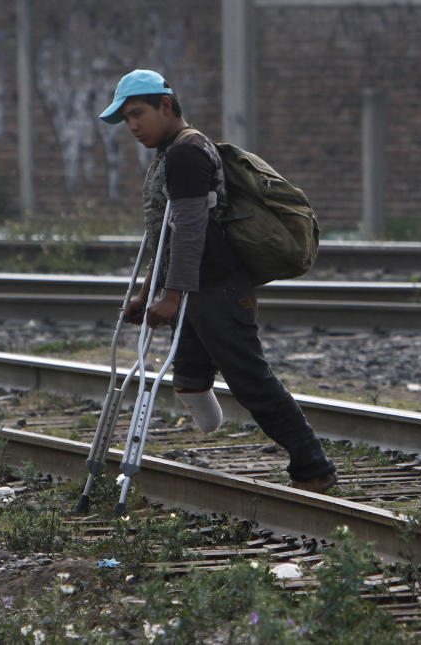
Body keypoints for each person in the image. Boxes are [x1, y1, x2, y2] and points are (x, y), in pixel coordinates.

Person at [98, 69, 337, 492]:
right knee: (189, 379)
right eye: (126, 120)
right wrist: (148, 291)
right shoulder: (170, 151)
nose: (132, 127)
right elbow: (166, 237)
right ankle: (212, 447)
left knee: (251, 381)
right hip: (194, 288)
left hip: (215, 289)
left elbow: (190, 230)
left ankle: (313, 466)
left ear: (165, 106)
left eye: (138, 114)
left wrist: (170, 298)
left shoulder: (187, 153)